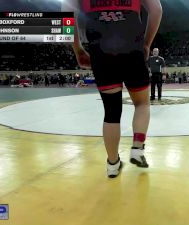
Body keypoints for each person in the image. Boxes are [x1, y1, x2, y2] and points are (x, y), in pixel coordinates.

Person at [64, 0, 162, 178]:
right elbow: (156, 9)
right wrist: (146, 44)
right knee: (142, 104)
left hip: (101, 50)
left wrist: (78, 49)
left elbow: (66, 15)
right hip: (132, 46)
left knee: (111, 112)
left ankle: (112, 164)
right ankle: (138, 148)